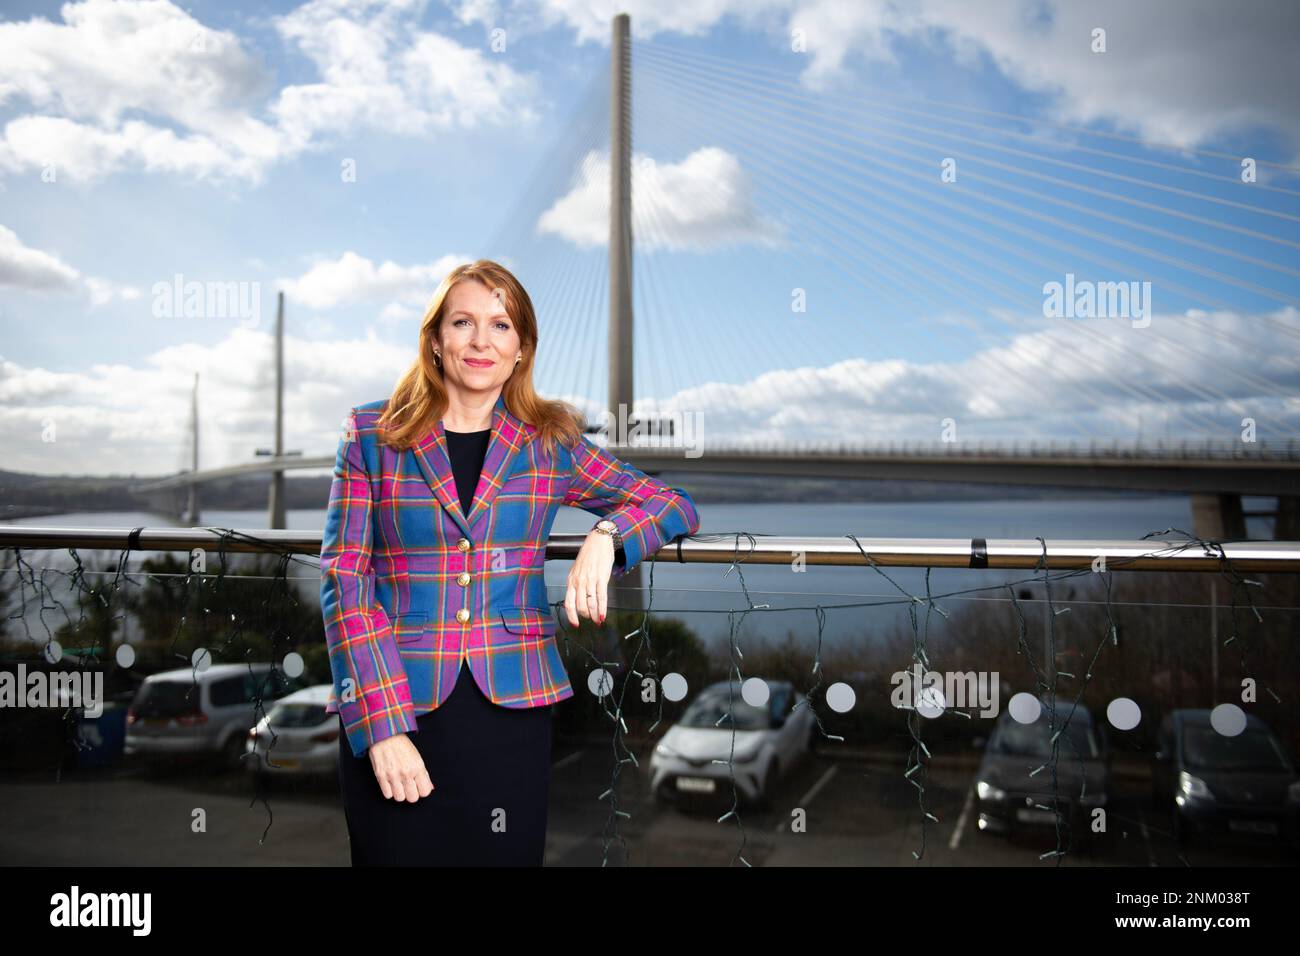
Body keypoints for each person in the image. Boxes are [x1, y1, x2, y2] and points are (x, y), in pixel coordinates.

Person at [321, 259, 701, 865]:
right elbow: (346, 577)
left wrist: (607, 535)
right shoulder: (372, 432)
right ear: (436, 339)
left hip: (511, 712)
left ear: (521, 348)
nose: (481, 341)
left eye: (501, 326)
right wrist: (382, 725)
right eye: (463, 322)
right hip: (395, 701)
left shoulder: (550, 439)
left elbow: (671, 503)